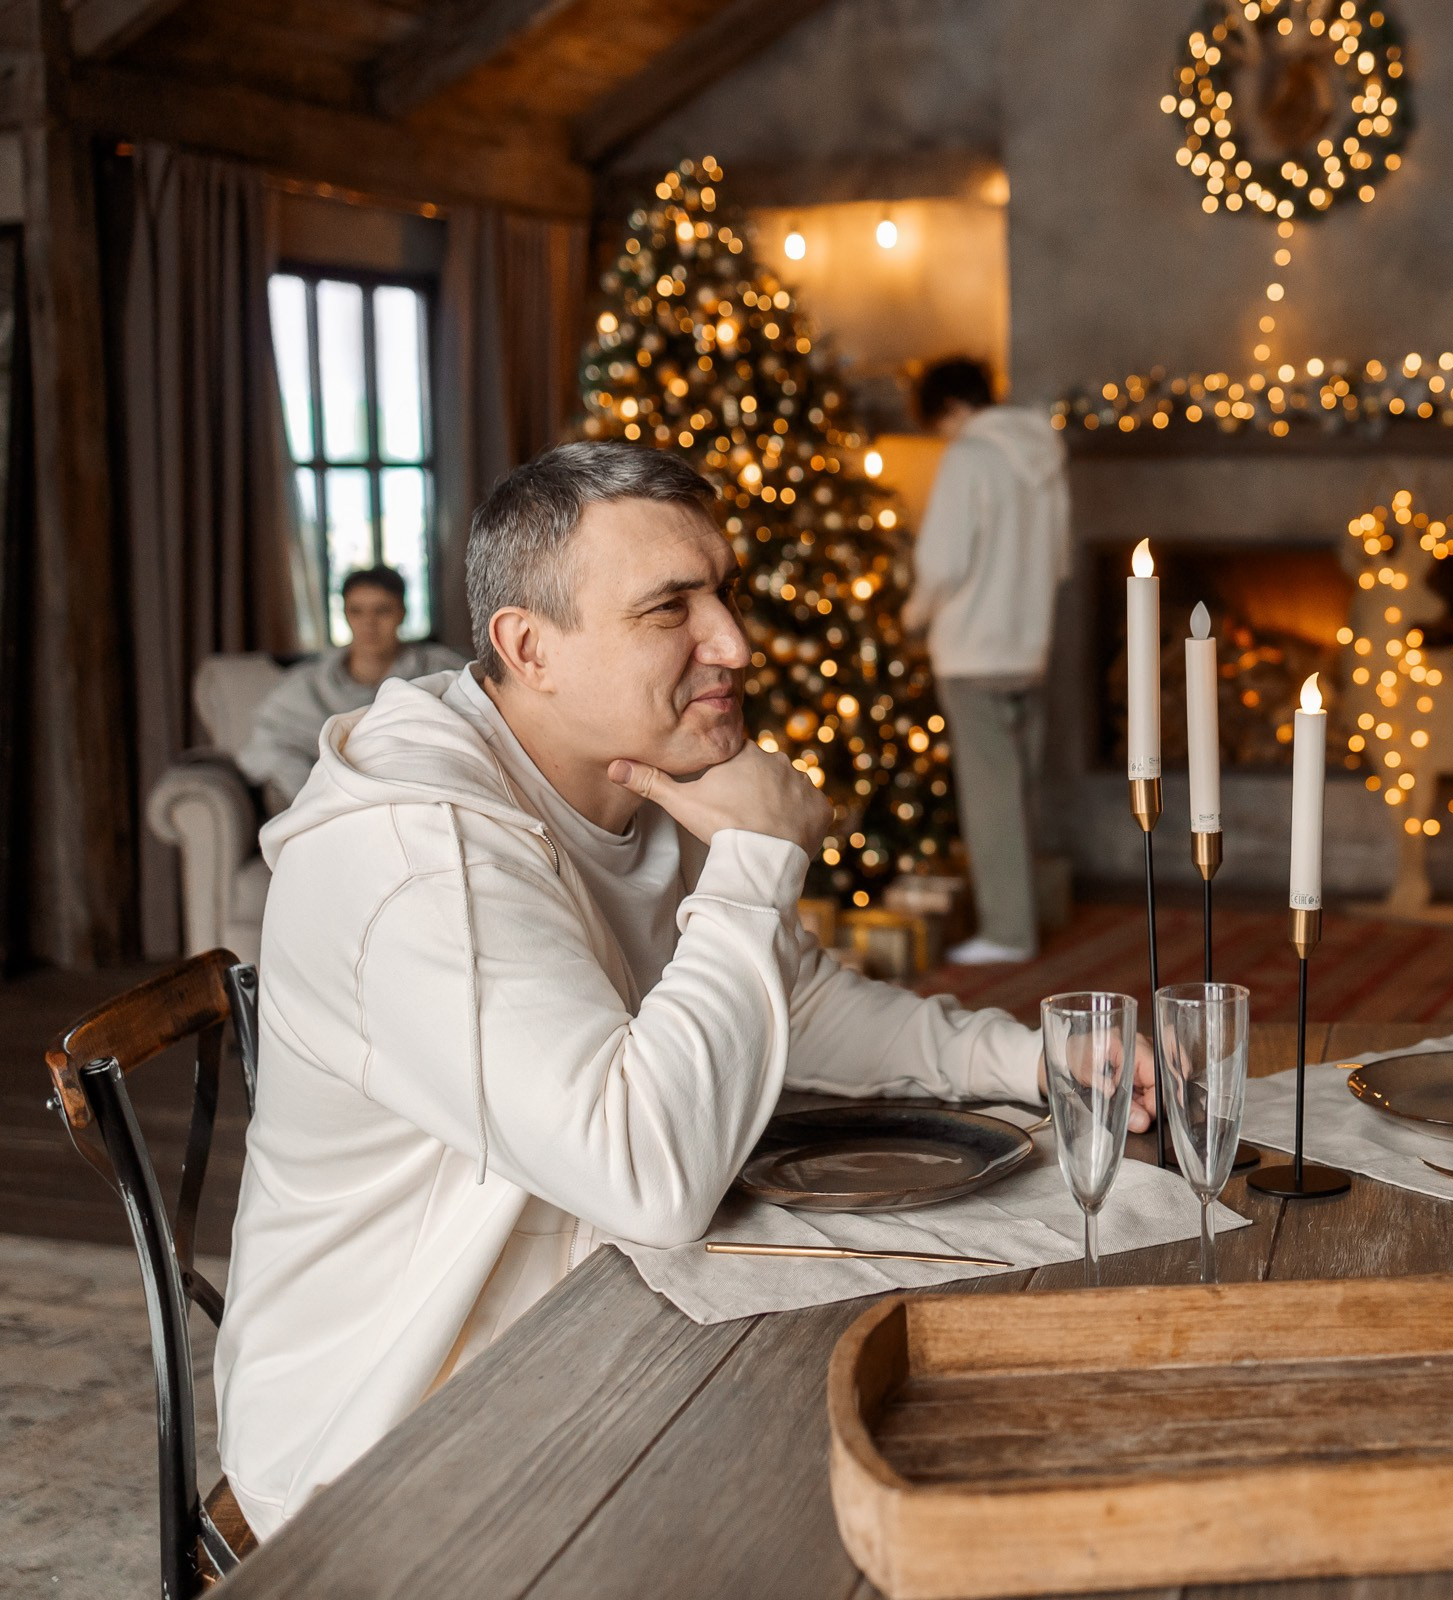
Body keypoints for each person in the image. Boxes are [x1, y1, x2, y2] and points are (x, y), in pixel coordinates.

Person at [215, 442, 1150, 1537]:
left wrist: (1032, 1062)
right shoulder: (421, 859)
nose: (736, 644)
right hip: (396, 1426)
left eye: (726, 591)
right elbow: (646, 1173)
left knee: (985, 1391)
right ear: (529, 647)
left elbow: (791, 1006)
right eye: (670, 608)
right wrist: (755, 861)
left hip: (588, 1304)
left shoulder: (626, 765)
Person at [900, 357, 1070, 965]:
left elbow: (943, 562)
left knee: (990, 799)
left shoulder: (969, 457)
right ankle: (1025, 912)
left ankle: (1008, 932)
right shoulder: (1045, 459)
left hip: (972, 651)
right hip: (1029, 647)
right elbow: (1060, 560)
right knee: (1018, 792)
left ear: (949, 409)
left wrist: (913, 615)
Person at [237, 566, 466, 812]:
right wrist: (316, 793)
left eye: (382, 610)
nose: (369, 623)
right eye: (356, 611)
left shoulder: (442, 671)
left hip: (417, 803)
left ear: (402, 613)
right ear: (345, 614)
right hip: (326, 806)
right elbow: (266, 746)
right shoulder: (306, 684)